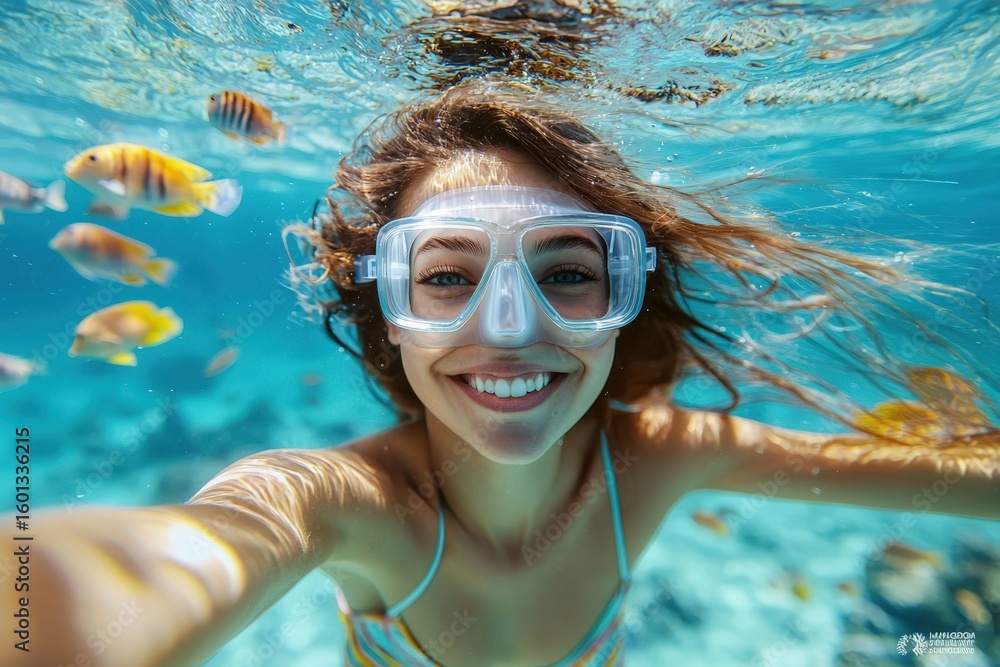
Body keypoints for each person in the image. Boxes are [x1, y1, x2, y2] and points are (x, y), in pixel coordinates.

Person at [5, 82, 998, 667]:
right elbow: (135, 575)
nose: (511, 330)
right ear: (386, 315)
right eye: (444, 278)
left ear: (628, 295)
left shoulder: (659, 457)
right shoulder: (342, 502)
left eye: (568, 272)